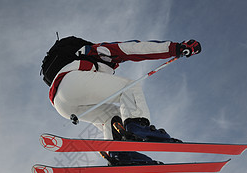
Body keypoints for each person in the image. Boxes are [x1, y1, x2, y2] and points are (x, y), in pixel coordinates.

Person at [41, 37, 201, 165]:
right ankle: (138, 127)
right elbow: (133, 49)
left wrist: (118, 138)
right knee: (129, 87)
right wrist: (175, 48)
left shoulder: (67, 64)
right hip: (73, 81)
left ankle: (118, 153)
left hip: (61, 104)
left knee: (111, 116)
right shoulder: (94, 51)